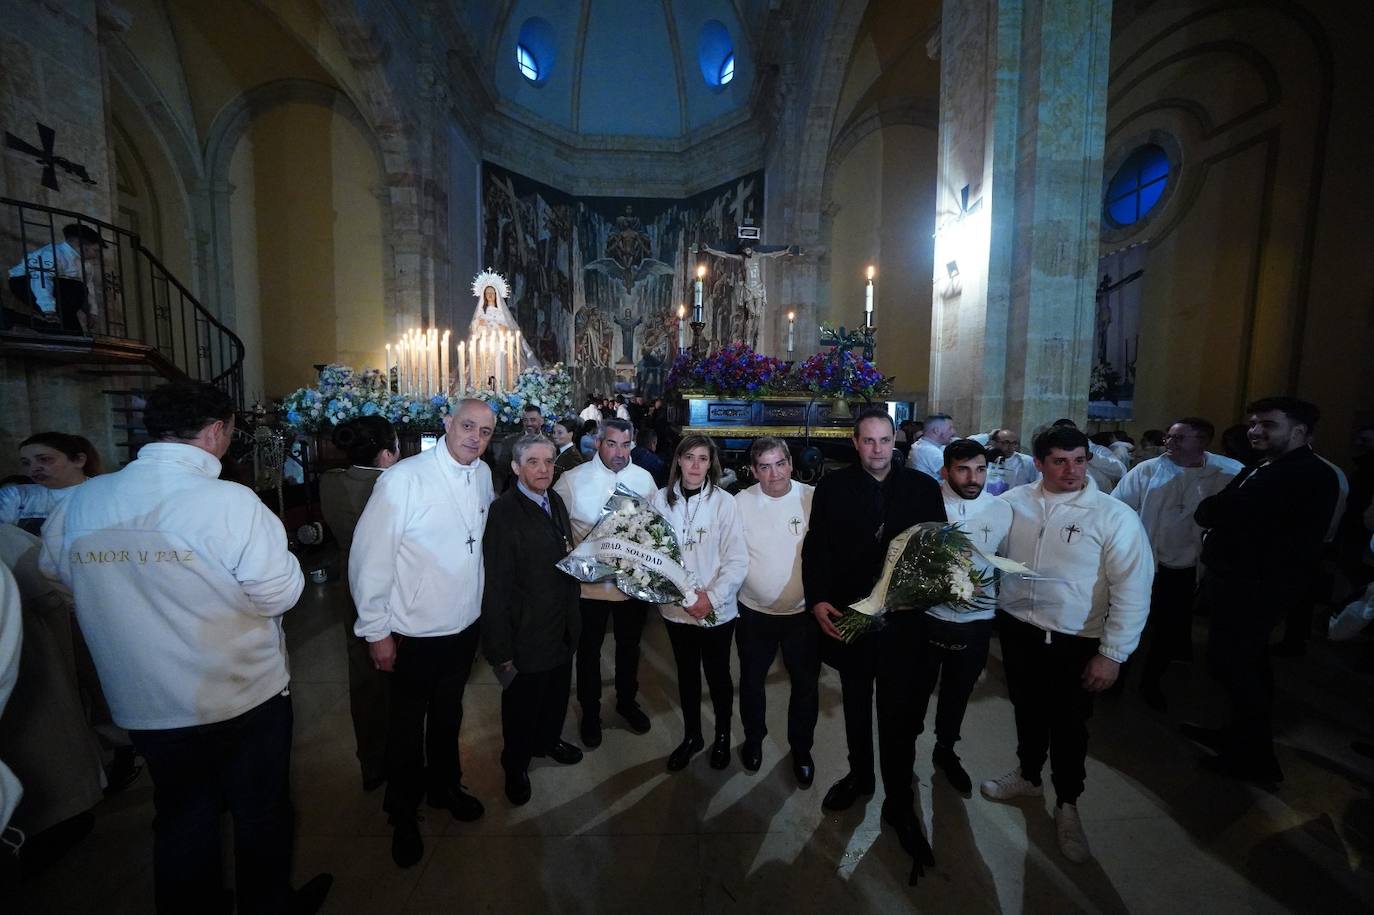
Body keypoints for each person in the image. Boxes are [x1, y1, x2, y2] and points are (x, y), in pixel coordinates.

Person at [38, 382, 330, 913]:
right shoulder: (228, 502)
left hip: (145, 699)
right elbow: (279, 594)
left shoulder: (83, 501)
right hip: (239, 693)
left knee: (181, 815)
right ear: (217, 430)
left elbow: (58, 580)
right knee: (259, 810)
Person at [981, 425, 1153, 865]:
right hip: (1020, 629)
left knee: (1071, 724)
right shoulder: (1013, 503)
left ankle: (1068, 803)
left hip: (1077, 639)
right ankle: (1028, 774)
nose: (1072, 470)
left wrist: (1113, 654)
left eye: (1079, 460)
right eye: (1059, 460)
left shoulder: (1113, 516)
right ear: (1038, 463)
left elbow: (1133, 589)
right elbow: (975, 542)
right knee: (1027, 709)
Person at [350, 398, 496, 868]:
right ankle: (403, 811)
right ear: (447, 424)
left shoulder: (484, 475)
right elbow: (369, 561)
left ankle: (444, 786)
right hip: (412, 630)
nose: (475, 437)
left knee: (450, 714)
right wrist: (376, 631)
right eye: (468, 426)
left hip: (462, 626)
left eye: (486, 431)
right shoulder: (402, 479)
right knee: (406, 727)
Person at [803, 408, 946, 867]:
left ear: (896, 442)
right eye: (868, 441)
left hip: (904, 624)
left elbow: (936, 551)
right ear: (855, 442)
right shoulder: (833, 486)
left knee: (898, 714)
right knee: (856, 701)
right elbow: (818, 545)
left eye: (885, 441)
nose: (877, 450)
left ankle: (899, 799)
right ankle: (861, 776)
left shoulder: (922, 489)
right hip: (850, 617)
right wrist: (818, 598)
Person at [1189, 397, 1340, 784]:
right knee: (1236, 665)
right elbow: (1218, 510)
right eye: (1253, 423)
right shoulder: (1266, 466)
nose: (1255, 431)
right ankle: (1237, 736)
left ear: (1300, 431)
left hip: (1258, 586)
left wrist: (1220, 513)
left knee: (1241, 668)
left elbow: (1218, 511)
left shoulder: (1305, 473)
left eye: (1268, 424)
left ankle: (1254, 757)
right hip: (1237, 581)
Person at [894, 439, 1013, 799]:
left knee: (958, 690)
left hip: (977, 621)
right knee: (916, 689)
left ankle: (946, 748)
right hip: (928, 618)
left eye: (980, 469)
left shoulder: (1001, 509)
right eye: (963, 469)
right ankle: (906, 752)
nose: (973, 477)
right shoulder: (927, 503)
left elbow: (1005, 560)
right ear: (945, 471)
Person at [1110, 417, 1242, 709]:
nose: (1169, 443)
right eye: (1169, 437)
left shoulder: (1229, 474)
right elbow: (1117, 507)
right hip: (1144, 562)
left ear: (1203, 442)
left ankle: (1152, 682)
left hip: (1185, 566)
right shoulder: (1148, 469)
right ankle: (1116, 679)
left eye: (1179, 439)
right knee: (1129, 622)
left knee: (1169, 630)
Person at [481, 435, 583, 806]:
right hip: (525, 633)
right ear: (515, 467)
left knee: (555, 695)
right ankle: (516, 765)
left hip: (559, 625)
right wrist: (500, 651)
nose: (543, 469)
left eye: (549, 461)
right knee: (522, 707)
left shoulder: (552, 499)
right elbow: (495, 586)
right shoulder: (504, 513)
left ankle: (548, 740)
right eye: (534, 462)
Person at [0, 523, 104, 867]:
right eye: (30, 463)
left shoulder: (14, 541)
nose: (37, 469)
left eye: (45, 462)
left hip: (34, 673)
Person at [553, 418, 657, 748]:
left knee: (630, 649)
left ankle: (627, 702)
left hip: (631, 588)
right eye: (612, 444)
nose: (619, 452)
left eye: (626, 445)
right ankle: (591, 711)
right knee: (588, 653)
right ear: (598, 442)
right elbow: (555, 527)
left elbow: (656, 529)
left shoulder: (644, 479)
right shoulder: (572, 480)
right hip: (588, 590)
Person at [651, 435, 748, 771]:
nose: (695, 465)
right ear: (678, 460)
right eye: (689, 457)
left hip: (716, 610)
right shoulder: (659, 501)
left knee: (719, 675)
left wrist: (712, 598)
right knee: (688, 674)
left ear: (711, 464)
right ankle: (693, 735)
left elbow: (737, 560)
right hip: (676, 611)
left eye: (702, 459)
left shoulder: (724, 502)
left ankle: (722, 735)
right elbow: (653, 556)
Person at [317, 416, 400, 792]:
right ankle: (403, 757)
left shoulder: (330, 482)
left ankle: (371, 762)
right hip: (390, 583)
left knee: (363, 677)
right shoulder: (392, 487)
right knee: (398, 673)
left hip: (349, 584)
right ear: (386, 454)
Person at [733, 438, 818, 787]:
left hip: (803, 615)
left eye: (780, 464)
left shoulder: (812, 498)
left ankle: (801, 748)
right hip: (754, 613)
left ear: (791, 464)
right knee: (752, 683)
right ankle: (754, 739)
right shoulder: (739, 503)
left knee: (805, 686)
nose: (774, 474)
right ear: (753, 471)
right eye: (764, 467)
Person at [7, 223, 104, 334]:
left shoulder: (86, 265)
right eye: (95, 250)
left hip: (58, 290)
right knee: (75, 291)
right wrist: (48, 309)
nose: (96, 255)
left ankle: (12, 317)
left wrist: (91, 312)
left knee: (71, 331)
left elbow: (88, 287)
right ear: (82, 246)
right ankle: (12, 317)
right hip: (25, 282)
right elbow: (41, 279)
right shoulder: (52, 253)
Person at [1, 432, 102, 535]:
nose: (34, 468)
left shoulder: (105, 493)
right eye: (26, 463)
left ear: (79, 460)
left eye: (44, 459)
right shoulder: (14, 495)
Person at [1051, 418, 1127, 492]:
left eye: (1071, 433)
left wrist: (1091, 457)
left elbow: (1120, 472)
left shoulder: (1098, 450)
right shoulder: (1050, 455)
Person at [490, 404, 545, 493]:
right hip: (517, 493)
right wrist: (496, 493)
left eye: (533, 420)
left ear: (541, 421)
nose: (529, 424)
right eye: (525, 420)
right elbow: (501, 471)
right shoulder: (510, 442)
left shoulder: (552, 441)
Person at [985, 428, 1039, 494]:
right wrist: (987, 437)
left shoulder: (1027, 461)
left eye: (1014, 443)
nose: (1011, 447)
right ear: (994, 443)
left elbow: (1037, 484)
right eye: (1006, 443)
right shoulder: (985, 458)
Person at [907, 413, 957, 480]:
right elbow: (954, 477)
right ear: (936, 430)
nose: (954, 432)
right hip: (932, 489)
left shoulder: (921, 444)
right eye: (950, 428)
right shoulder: (929, 450)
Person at [551, 417, 584, 482]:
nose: (554, 436)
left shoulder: (573, 457)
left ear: (570, 434)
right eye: (554, 432)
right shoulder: (560, 451)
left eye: (559, 433)